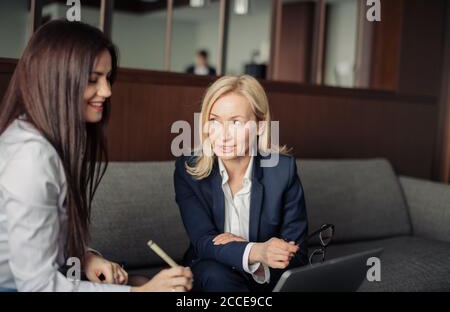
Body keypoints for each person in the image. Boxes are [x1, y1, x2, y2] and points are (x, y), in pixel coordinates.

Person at [0, 20, 192, 292]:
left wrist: (86, 257)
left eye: (107, 78)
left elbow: (42, 243)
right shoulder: (30, 158)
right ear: (57, 81)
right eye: (92, 80)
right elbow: (37, 286)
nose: (107, 91)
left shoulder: (48, 143)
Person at [174, 75, 308, 292]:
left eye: (236, 122)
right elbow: (203, 242)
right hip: (211, 274)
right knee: (214, 273)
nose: (222, 135)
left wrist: (256, 258)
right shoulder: (188, 170)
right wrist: (257, 251)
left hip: (266, 278)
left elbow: (297, 253)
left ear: (260, 126)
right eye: (214, 120)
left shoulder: (283, 171)